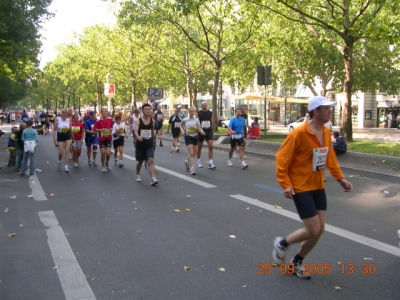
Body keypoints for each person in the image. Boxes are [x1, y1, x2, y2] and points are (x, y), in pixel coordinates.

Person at [274, 95, 353, 279]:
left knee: (320, 228)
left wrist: (340, 179)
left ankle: (296, 262)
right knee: (313, 229)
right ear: (316, 111)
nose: (330, 111)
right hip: (301, 187)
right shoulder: (299, 133)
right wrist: (285, 184)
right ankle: (283, 243)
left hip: (318, 185)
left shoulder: (325, 132)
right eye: (327, 108)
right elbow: (281, 159)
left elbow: (329, 157)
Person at [134, 103, 158, 185]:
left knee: (151, 160)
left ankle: (153, 178)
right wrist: (138, 137)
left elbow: (153, 132)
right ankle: (137, 174)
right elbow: (136, 131)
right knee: (140, 161)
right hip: (140, 144)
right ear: (142, 111)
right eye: (146, 109)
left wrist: (154, 139)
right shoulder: (139, 121)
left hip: (149, 144)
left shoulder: (152, 121)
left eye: (149, 109)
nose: (148, 111)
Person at [181, 107, 206, 175]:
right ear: (188, 112)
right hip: (188, 137)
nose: (192, 113)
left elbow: (199, 129)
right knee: (191, 153)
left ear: (194, 112)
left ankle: (187, 162)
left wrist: (201, 131)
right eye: (190, 111)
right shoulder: (185, 120)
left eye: (193, 112)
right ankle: (192, 169)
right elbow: (181, 126)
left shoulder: (196, 121)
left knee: (193, 154)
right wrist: (182, 131)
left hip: (195, 137)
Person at [196, 101, 216, 169]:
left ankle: (210, 162)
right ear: (201, 105)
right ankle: (198, 161)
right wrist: (199, 130)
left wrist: (212, 130)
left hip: (208, 131)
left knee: (211, 146)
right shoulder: (199, 113)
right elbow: (198, 122)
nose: (205, 105)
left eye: (206, 104)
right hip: (201, 131)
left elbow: (211, 121)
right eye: (203, 104)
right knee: (199, 147)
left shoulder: (210, 113)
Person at [94, 107, 113, 173]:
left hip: (108, 138)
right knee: (103, 153)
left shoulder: (110, 120)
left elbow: (112, 127)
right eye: (103, 111)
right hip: (101, 139)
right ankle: (103, 166)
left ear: (107, 112)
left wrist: (110, 129)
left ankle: (107, 163)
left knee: (108, 153)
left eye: (105, 111)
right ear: (101, 113)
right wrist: (101, 130)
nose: (104, 112)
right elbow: (94, 129)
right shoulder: (98, 121)